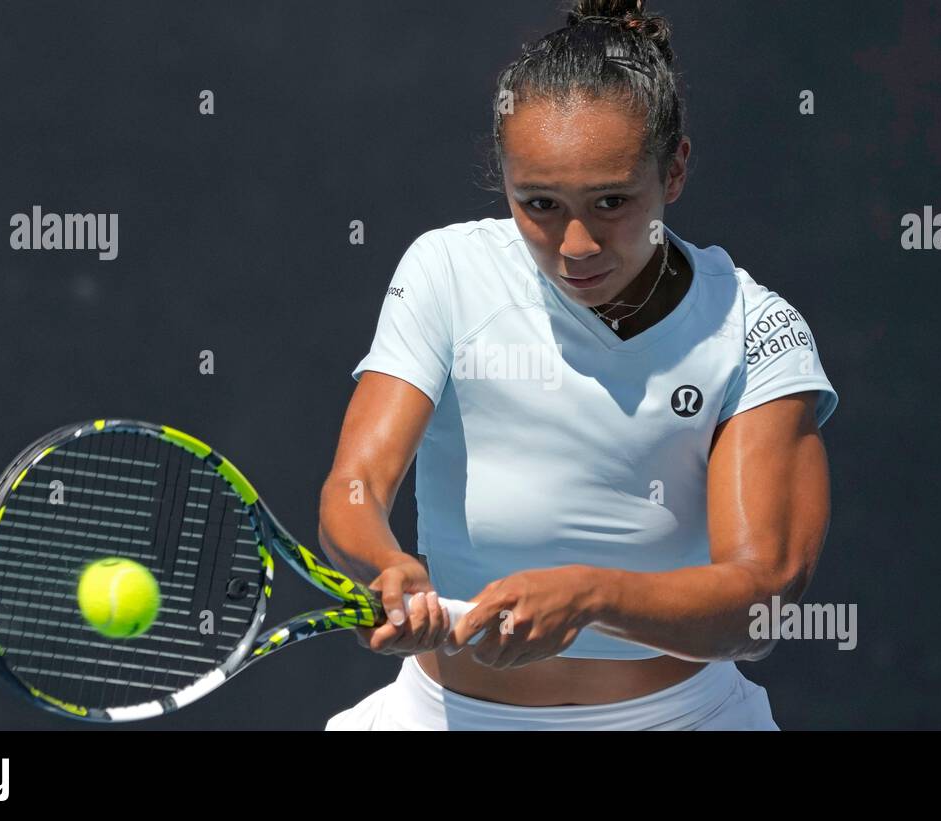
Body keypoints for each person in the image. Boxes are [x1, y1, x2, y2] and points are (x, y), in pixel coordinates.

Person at [319, 0, 837, 730]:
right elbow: (353, 487)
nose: (577, 243)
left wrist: (593, 595)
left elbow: (760, 601)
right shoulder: (445, 270)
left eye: (612, 201)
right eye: (539, 204)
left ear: (676, 169)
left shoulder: (756, 329)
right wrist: (387, 566)